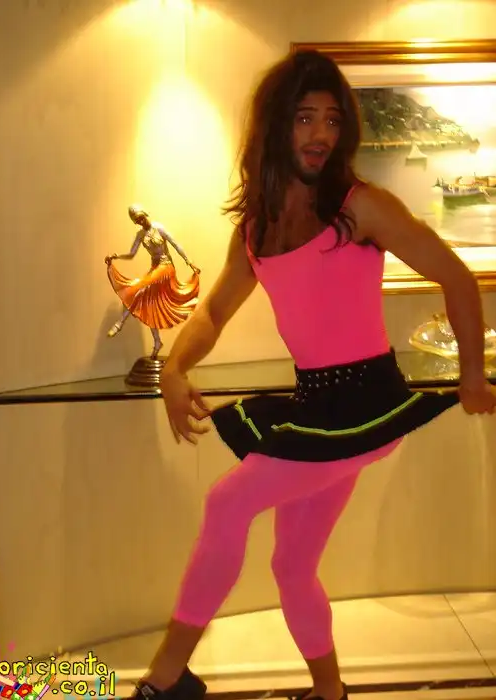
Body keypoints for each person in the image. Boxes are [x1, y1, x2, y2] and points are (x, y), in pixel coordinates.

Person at [128, 50, 496, 700]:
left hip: (365, 406)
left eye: (331, 119)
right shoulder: (255, 231)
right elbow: (212, 312)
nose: (320, 133)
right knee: (292, 566)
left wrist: (471, 375)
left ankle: (168, 676)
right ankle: (331, 692)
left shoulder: (361, 207)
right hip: (316, 408)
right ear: (276, 125)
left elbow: (456, 278)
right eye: (304, 118)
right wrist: (174, 367)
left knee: (226, 502)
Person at [105, 206, 200, 359]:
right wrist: (116, 256)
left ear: (146, 214)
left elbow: (176, 244)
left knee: (140, 289)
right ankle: (157, 342)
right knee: (149, 304)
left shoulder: (159, 228)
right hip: (155, 268)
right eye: (138, 220)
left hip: (166, 267)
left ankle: (120, 323)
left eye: (142, 217)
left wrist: (189, 262)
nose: (141, 221)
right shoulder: (140, 235)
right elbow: (131, 254)